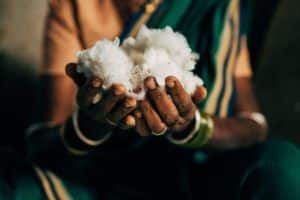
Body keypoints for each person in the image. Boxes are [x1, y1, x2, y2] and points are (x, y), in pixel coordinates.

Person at [1, 0, 300, 199]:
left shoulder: (213, 5)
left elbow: (254, 127)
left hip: (197, 176)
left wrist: (190, 126)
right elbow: (44, 139)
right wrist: (90, 125)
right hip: (102, 176)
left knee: (282, 165)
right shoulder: (76, 4)